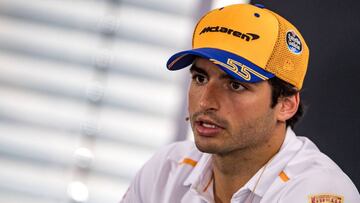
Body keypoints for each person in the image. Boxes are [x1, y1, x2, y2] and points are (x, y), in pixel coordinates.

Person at [121, 3, 360, 203]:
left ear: (286, 104)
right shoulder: (167, 168)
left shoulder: (319, 191)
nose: (205, 101)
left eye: (235, 85)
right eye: (200, 78)